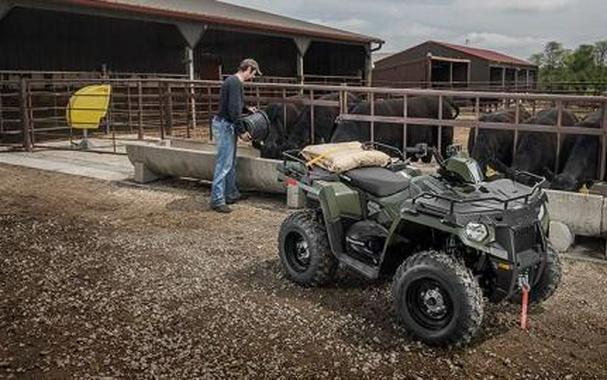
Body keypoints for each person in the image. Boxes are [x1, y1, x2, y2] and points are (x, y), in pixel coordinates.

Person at [210, 58, 262, 213]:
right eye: (253, 73)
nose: (252, 77)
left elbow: (234, 105)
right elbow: (233, 109)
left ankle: (231, 193)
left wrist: (246, 109)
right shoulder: (235, 83)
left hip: (226, 124)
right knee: (224, 164)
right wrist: (242, 132)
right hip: (226, 125)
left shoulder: (233, 82)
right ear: (248, 69)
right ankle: (217, 200)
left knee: (230, 162)